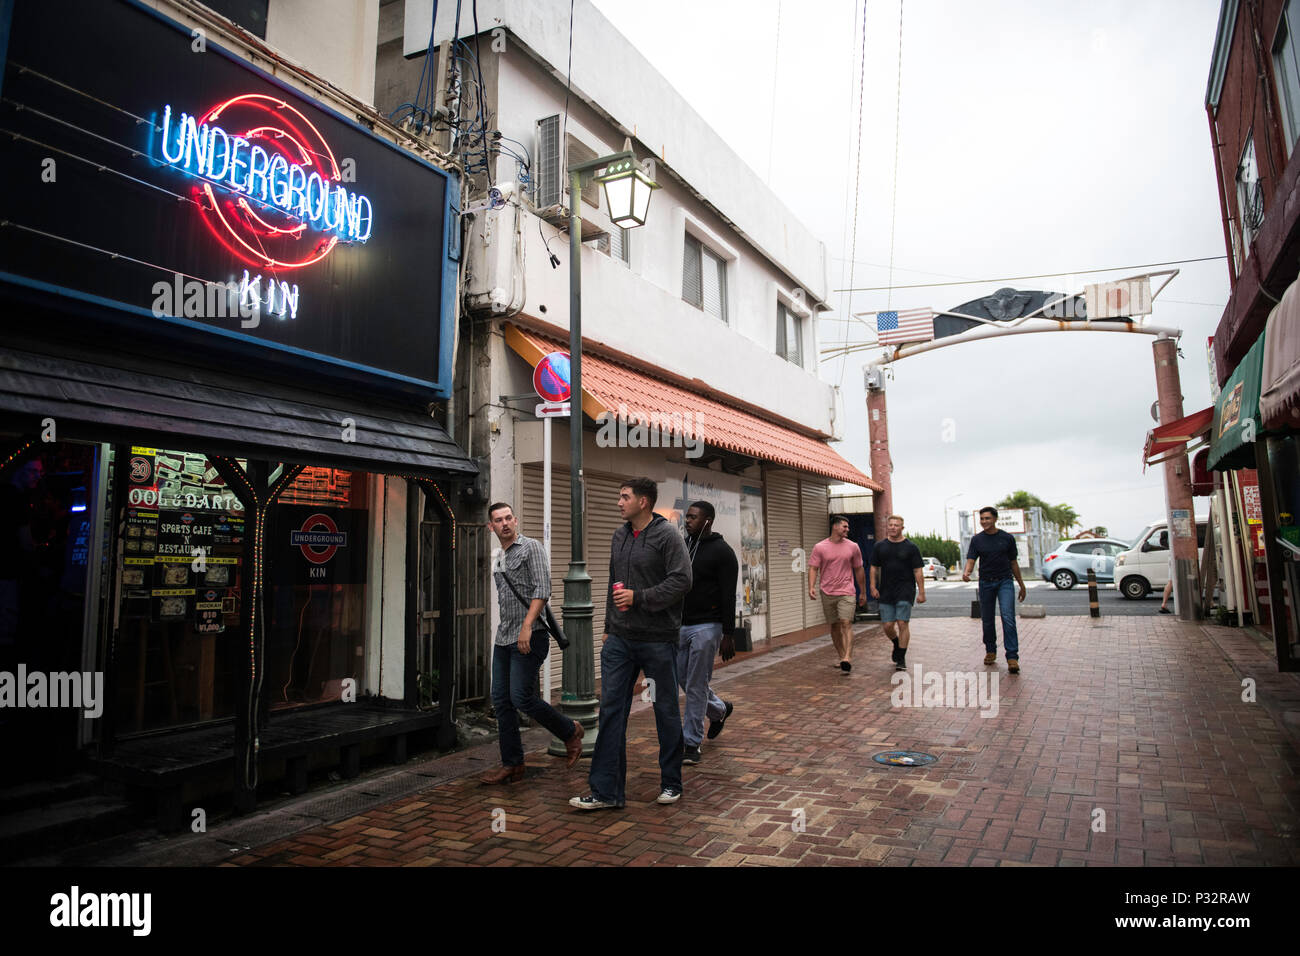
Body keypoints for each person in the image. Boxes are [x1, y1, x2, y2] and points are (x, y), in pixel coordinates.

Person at [570, 477, 692, 810]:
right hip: (620, 641)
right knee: (610, 712)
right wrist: (609, 626)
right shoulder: (619, 535)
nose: (619, 502)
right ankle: (606, 792)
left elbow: (682, 581)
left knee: (665, 711)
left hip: (658, 640)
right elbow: (615, 582)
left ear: (643, 502)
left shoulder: (667, 535)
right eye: (619, 496)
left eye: (624, 497)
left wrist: (640, 598)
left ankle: (671, 782)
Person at [480, 502, 583, 784]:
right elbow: (504, 597)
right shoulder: (496, 555)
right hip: (504, 638)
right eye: (498, 520)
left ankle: (569, 731)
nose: (505, 523)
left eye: (508, 518)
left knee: (521, 697)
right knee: (501, 702)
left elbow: (542, 588)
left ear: (516, 520)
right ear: (491, 527)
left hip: (530, 635)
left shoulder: (532, 547)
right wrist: (507, 631)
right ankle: (513, 764)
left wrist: (526, 626)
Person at [678, 501, 738, 765]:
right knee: (683, 678)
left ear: (708, 521)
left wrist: (728, 633)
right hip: (680, 624)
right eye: (687, 516)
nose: (687, 520)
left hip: (708, 625)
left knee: (695, 684)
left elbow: (728, 595)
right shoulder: (684, 545)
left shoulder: (723, 552)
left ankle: (691, 743)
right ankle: (719, 709)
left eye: (693, 517)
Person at [961, 506, 1026, 673]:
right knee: (988, 619)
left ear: (995, 519)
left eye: (987, 518)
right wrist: (967, 571)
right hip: (985, 583)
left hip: (1005, 582)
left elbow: (1013, 563)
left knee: (1008, 617)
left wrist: (1021, 584)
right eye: (982, 519)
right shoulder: (977, 540)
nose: (984, 522)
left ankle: (1012, 656)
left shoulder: (1007, 538)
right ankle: (990, 650)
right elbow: (971, 559)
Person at [808, 515, 866, 673]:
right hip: (827, 591)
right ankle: (842, 658)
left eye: (848, 527)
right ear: (835, 526)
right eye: (844, 526)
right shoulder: (820, 547)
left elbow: (859, 569)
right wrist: (811, 586)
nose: (847, 529)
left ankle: (848, 657)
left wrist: (863, 591)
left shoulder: (853, 546)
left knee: (846, 623)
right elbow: (813, 568)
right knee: (834, 626)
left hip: (847, 591)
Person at [868, 514, 925, 671]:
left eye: (896, 525)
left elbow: (918, 570)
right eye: (890, 525)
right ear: (887, 527)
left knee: (902, 622)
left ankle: (901, 657)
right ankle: (896, 644)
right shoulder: (879, 546)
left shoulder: (911, 547)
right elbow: (873, 567)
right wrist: (872, 586)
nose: (893, 527)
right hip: (886, 590)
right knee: (887, 625)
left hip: (905, 590)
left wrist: (921, 592)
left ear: (902, 527)